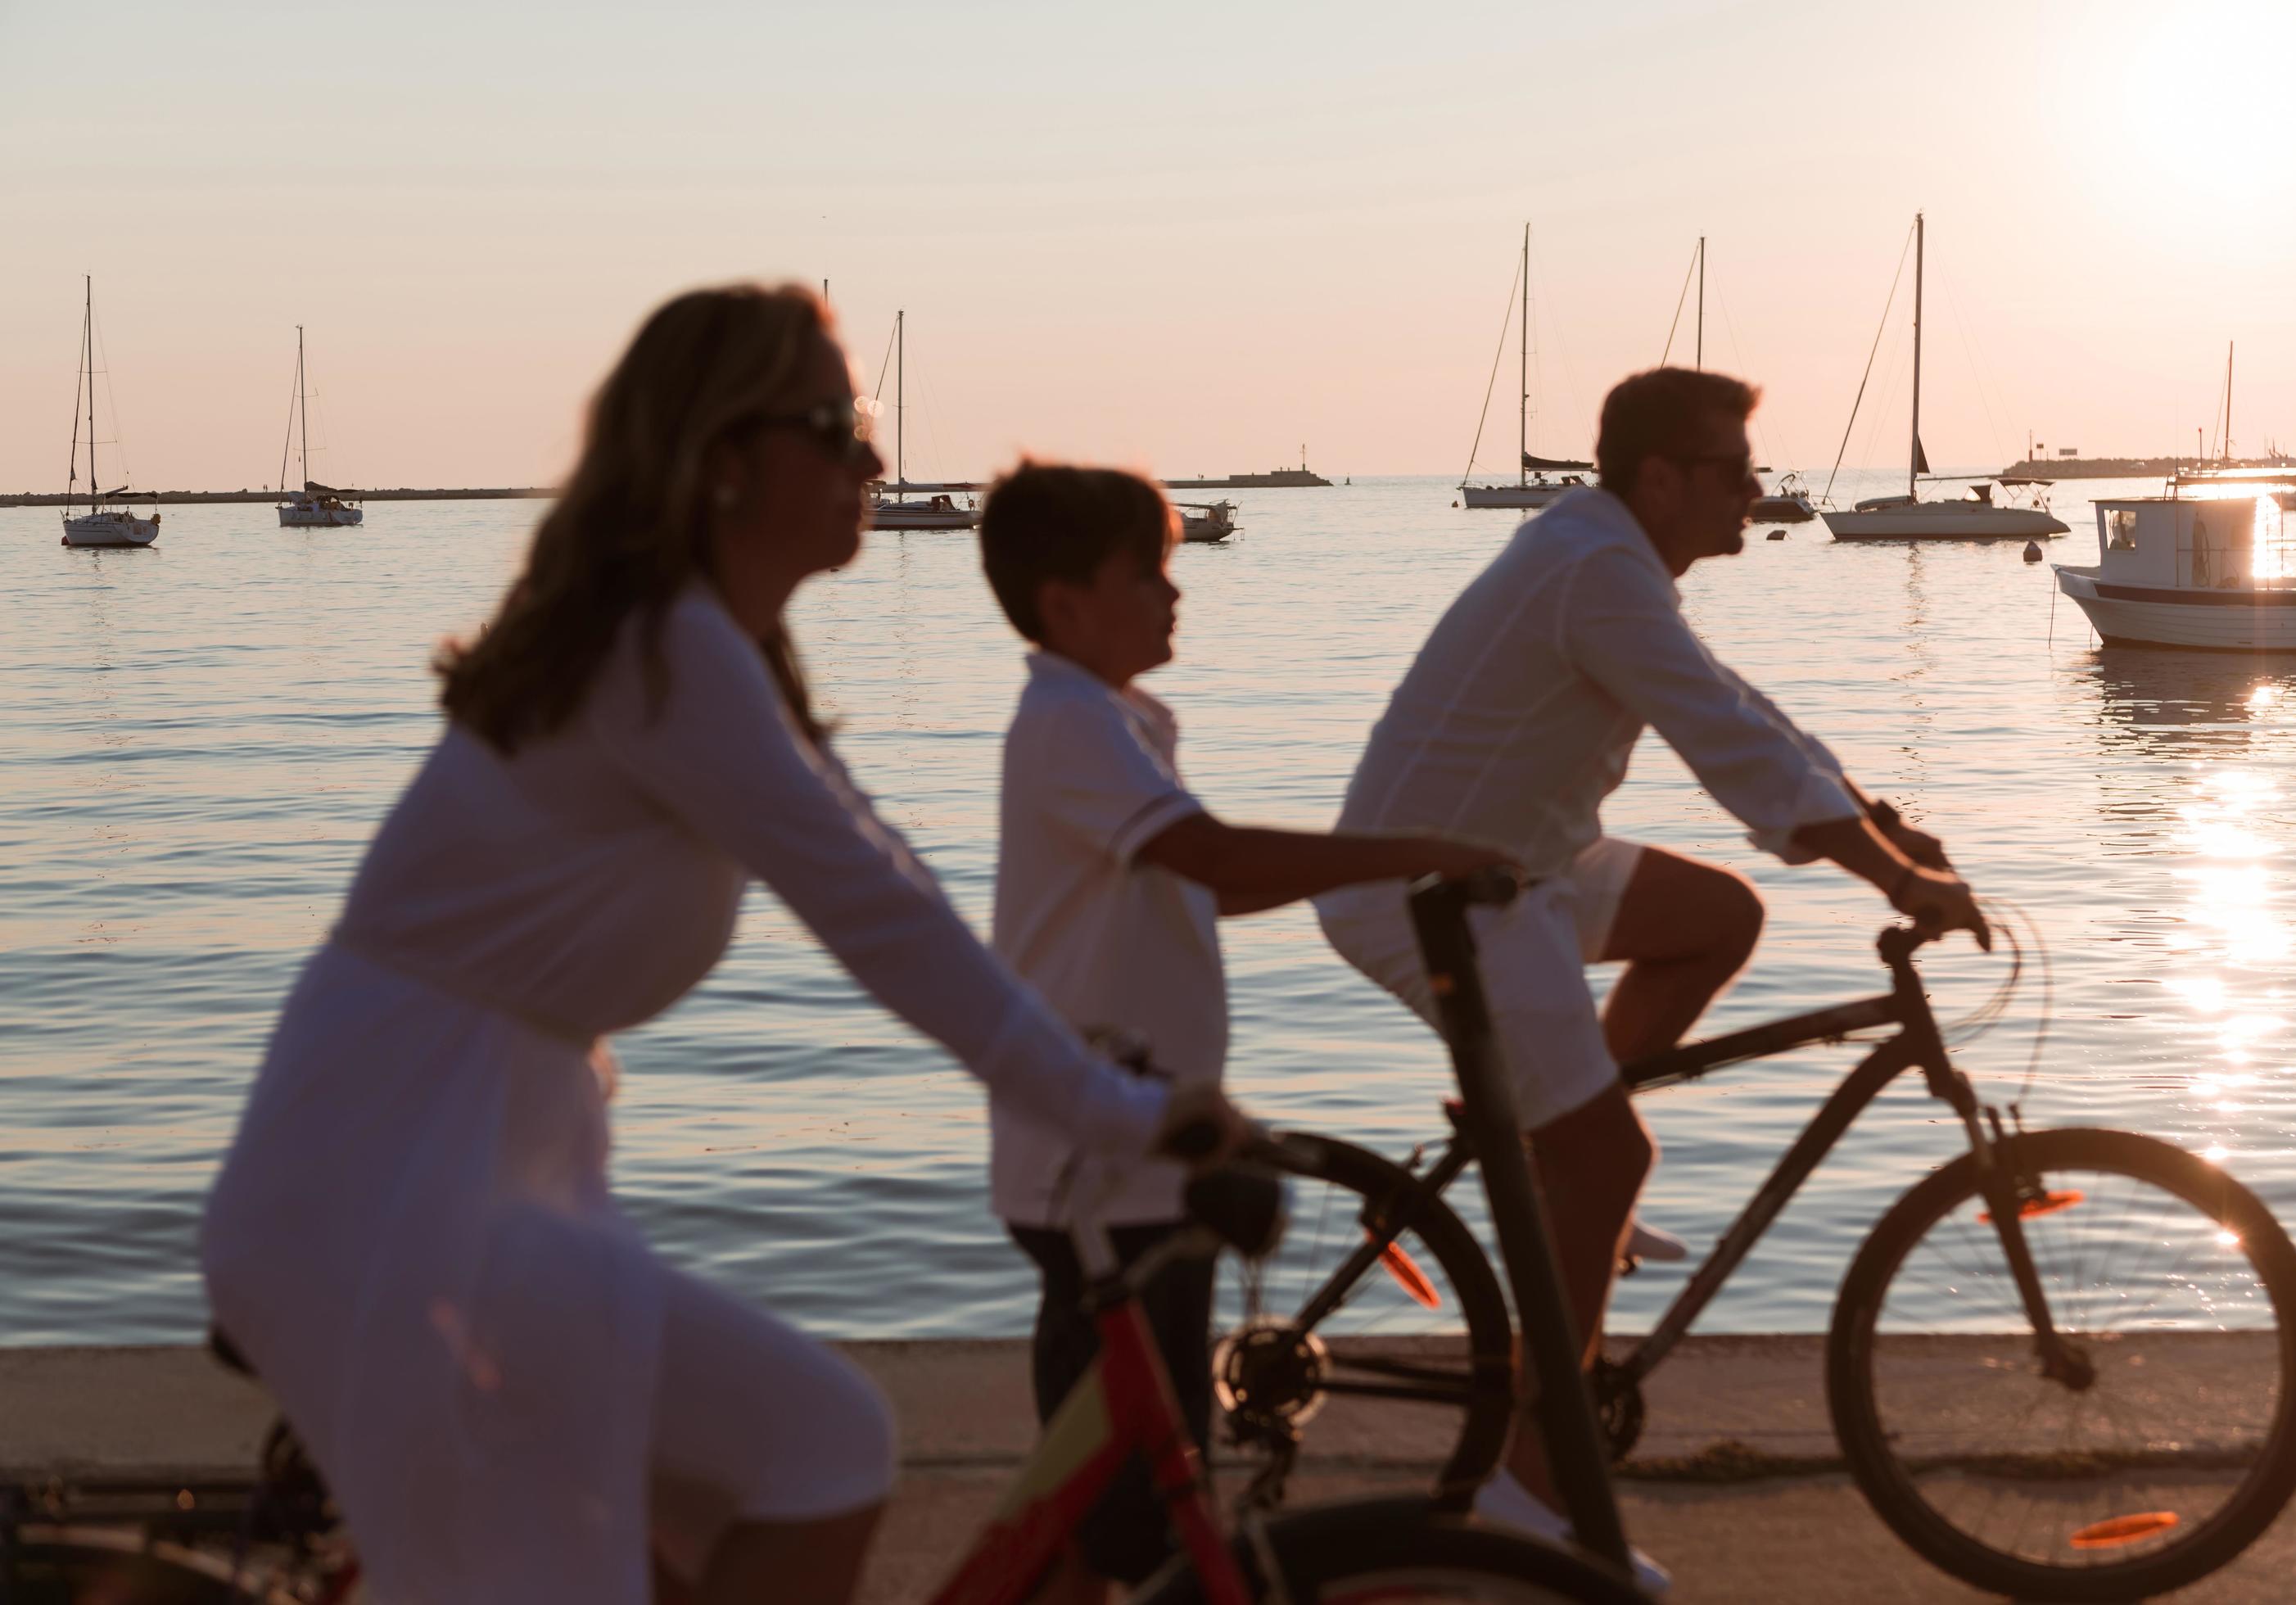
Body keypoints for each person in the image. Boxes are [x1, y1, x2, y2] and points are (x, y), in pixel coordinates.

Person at [199, 285, 1242, 1605]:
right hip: (395, 1178)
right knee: (827, 1444)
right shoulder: (666, 650)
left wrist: (1108, 1093)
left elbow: (890, 873)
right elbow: (885, 925)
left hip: (456, 1158)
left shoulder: (718, 650)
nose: (874, 458)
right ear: (729, 459)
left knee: (701, 1527)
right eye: (840, 423)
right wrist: (1116, 1113)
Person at [1315, 368, 1986, 1593]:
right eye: (1735, 470)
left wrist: (1880, 821)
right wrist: (1895, 883)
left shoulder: (1611, 561)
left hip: (1521, 863)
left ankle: (1547, 1153)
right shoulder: (1598, 572)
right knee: (1613, 1164)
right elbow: (1723, 742)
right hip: (1435, 893)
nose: (1757, 490)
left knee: (1717, 917)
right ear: (1660, 478)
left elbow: (1742, 707)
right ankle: (1528, 1484)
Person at [974, 463, 1512, 1602]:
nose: (1175, 596)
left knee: (1119, 1501)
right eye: (1148, 577)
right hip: (1098, 1173)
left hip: (1142, 1159)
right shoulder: (1069, 726)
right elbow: (1214, 860)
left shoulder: (1116, 723)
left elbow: (1204, 882)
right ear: (1067, 604)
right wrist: (1417, 849)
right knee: (1128, 1508)